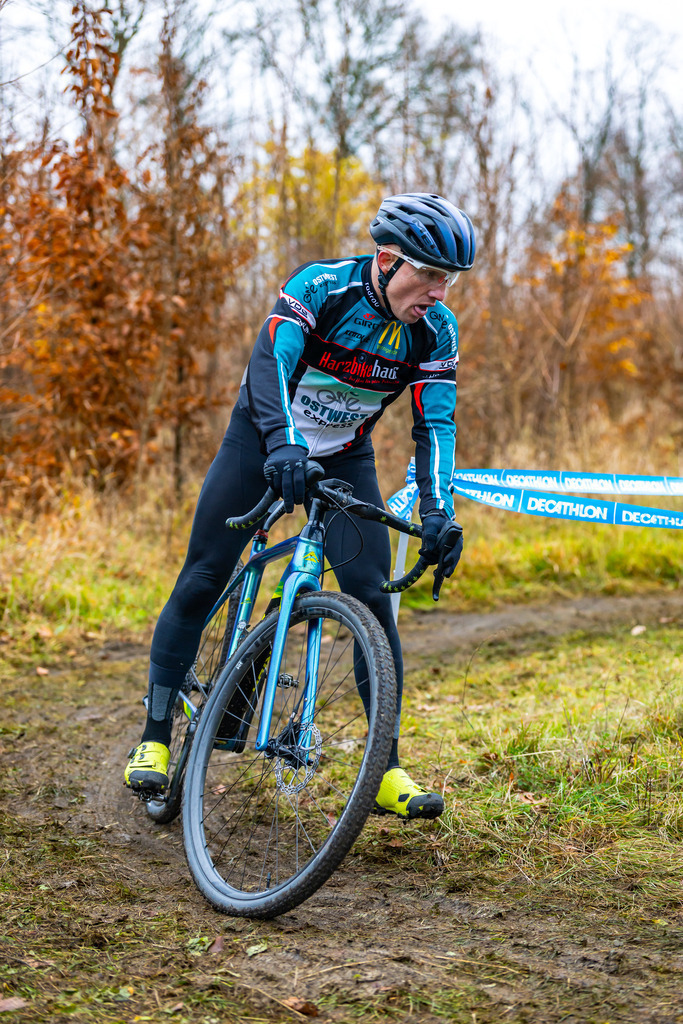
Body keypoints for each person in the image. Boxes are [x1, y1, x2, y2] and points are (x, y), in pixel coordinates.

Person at [124, 192, 476, 820]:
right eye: (428, 275)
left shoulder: (436, 331)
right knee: (204, 574)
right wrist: (283, 443)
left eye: (447, 280)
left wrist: (438, 511)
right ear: (388, 259)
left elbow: (436, 427)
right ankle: (154, 736)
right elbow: (269, 367)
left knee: (371, 597)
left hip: (345, 458)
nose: (438, 292)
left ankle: (386, 766)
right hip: (263, 436)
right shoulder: (319, 287)